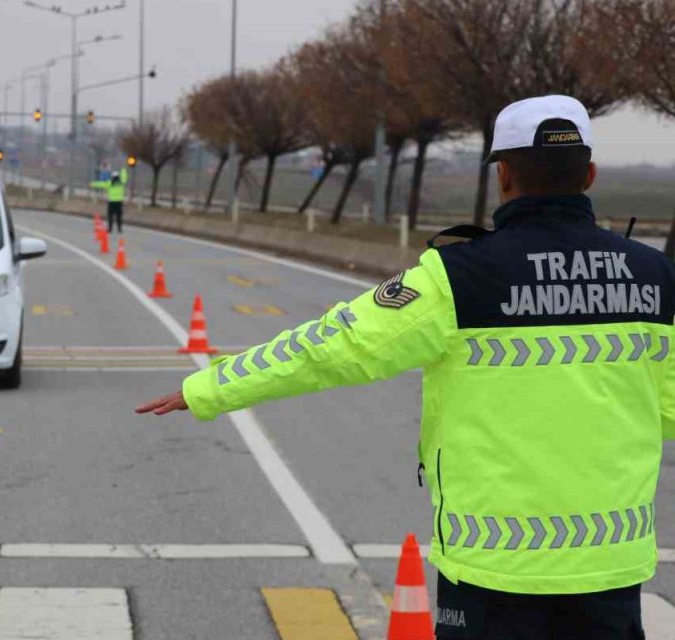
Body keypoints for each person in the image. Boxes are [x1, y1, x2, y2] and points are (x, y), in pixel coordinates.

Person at [136, 95, 673, 640]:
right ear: (590, 174)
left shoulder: (456, 277)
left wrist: (210, 387)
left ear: (503, 175)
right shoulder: (657, 277)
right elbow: (669, 414)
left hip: (493, 570)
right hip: (610, 570)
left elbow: (329, 348)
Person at [91, 167, 129, 233]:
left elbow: (101, 184)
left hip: (111, 202)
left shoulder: (110, 183)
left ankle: (110, 229)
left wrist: (92, 184)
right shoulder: (121, 183)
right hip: (119, 202)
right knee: (119, 216)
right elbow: (124, 177)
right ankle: (119, 229)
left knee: (110, 216)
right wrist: (123, 170)